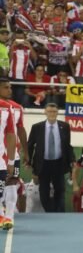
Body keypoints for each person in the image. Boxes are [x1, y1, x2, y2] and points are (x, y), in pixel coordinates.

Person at [27, 102, 73, 213]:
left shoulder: (65, 126)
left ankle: (59, 214)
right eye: (49, 111)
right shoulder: (37, 127)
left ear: (58, 113)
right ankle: (50, 212)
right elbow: (30, 145)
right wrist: (28, 162)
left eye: (54, 111)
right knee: (44, 192)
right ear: (45, 112)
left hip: (59, 163)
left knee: (60, 190)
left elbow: (67, 146)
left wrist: (71, 161)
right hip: (43, 164)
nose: (52, 114)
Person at [0, 77, 27, 229]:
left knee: (11, 184)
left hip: (11, 154)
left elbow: (20, 130)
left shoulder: (17, 108)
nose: (10, 90)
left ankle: (9, 217)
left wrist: (26, 151)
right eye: (6, 87)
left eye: (10, 87)